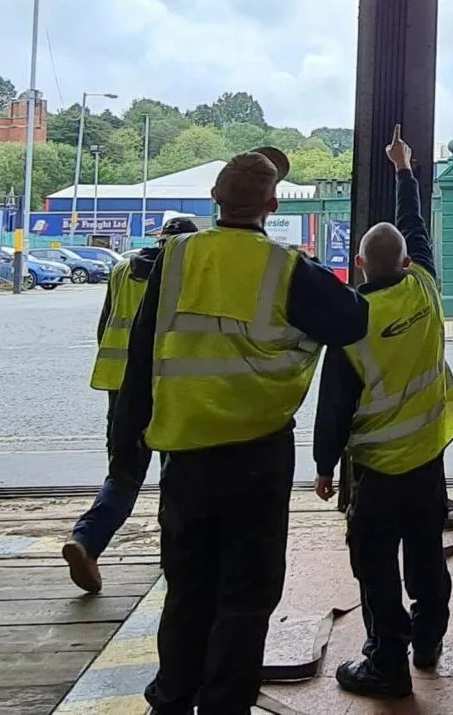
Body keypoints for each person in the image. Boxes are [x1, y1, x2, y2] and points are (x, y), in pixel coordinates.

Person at [111, 147, 369, 715]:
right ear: (272, 206)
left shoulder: (176, 258)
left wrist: (125, 450)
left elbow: (140, 352)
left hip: (183, 454)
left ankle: (173, 700)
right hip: (256, 455)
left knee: (187, 589)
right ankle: (225, 706)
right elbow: (352, 319)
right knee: (246, 596)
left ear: (214, 199)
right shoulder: (284, 266)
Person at [313, 125, 453, 699]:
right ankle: (427, 643)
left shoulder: (352, 322)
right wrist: (404, 169)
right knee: (427, 553)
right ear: (405, 261)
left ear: (358, 263)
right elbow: (418, 226)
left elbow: (333, 406)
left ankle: (387, 664)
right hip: (427, 459)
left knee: (375, 567)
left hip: (377, 470)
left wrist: (325, 465)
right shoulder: (425, 286)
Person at [63, 216, 200, 594]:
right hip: (167, 385)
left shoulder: (123, 269)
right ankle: (175, 558)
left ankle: (87, 541)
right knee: (176, 477)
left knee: (123, 474)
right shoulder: (184, 274)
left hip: (119, 384)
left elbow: (104, 325)